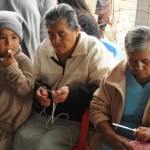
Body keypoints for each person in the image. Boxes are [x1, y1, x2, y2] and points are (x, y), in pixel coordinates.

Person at [13, 3, 114, 150]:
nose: (55, 41)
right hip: (44, 115)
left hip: (76, 119)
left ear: (76, 31)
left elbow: (104, 92)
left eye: (62, 34)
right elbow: (34, 81)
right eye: (51, 34)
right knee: (21, 138)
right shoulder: (44, 49)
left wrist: (71, 93)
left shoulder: (94, 50)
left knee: (45, 146)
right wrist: (40, 91)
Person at [89, 26, 150, 150]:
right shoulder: (115, 76)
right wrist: (112, 137)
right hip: (113, 139)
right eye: (132, 61)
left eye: (146, 61)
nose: (139, 67)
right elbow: (97, 109)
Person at [0, 11, 34, 150]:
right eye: (2, 38)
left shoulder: (22, 61)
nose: (9, 43)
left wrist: (12, 68)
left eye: (14, 37)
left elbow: (26, 90)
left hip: (9, 126)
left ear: (19, 39)